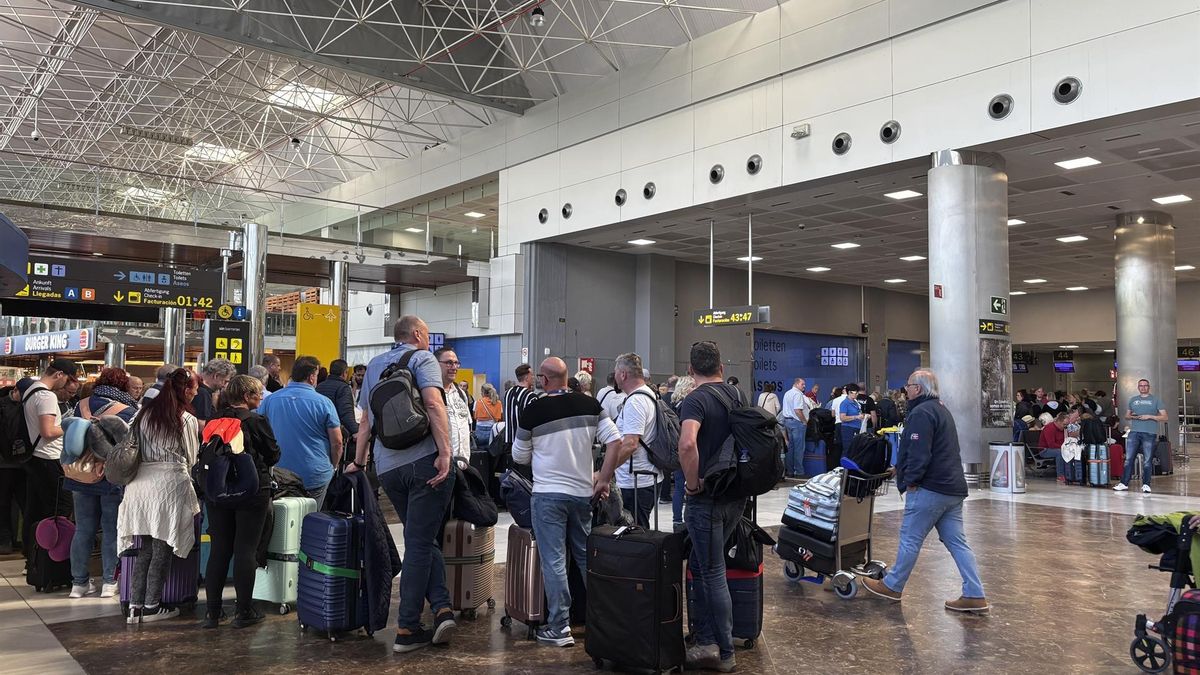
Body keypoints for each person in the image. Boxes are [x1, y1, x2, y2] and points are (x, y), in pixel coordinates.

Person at [350, 315, 457, 654]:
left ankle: (441, 608)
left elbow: (365, 420)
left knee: (420, 537)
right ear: (416, 334)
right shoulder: (423, 359)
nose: (428, 340)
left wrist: (360, 461)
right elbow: (432, 404)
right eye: (426, 334)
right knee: (420, 543)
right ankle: (408, 628)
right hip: (423, 460)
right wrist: (445, 452)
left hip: (388, 465)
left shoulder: (375, 365)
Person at [861, 369, 987, 613]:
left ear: (917, 389)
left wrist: (912, 480)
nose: (905, 390)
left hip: (930, 488)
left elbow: (920, 451)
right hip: (953, 488)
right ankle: (975, 593)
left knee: (910, 538)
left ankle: (893, 585)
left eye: (907, 385)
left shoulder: (921, 412)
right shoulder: (941, 409)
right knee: (958, 543)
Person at [518, 357, 620, 647]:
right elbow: (615, 441)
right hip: (582, 494)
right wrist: (603, 479)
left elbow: (519, 455)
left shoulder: (533, 410)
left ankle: (559, 626)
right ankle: (604, 621)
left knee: (554, 561)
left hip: (548, 495)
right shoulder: (591, 405)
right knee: (587, 557)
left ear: (545, 380)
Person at [674, 341, 744, 672]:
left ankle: (724, 651)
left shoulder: (695, 399)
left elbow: (687, 444)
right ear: (721, 367)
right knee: (701, 568)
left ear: (690, 370)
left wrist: (691, 484)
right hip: (735, 495)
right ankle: (704, 639)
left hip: (706, 498)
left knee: (712, 571)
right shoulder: (737, 396)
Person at [117, 368, 201, 624]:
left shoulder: (142, 414)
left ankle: (134, 606)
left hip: (139, 486)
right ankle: (152, 606)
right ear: (186, 390)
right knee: (163, 547)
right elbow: (191, 456)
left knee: (145, 548)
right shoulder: (184, 419)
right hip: (169, 483)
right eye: (195, 388)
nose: (197, 393)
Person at [202, 375, 280, 629]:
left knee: (219, 548)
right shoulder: (256, 421)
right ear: (246, 397)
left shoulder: (214, 420)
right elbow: (273, 454)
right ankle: (244, 611)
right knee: (245, 548)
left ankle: (212, 613)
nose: (260, 397)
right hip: (252, 491)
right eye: (257, 394)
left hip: (218, 490)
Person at [66, 367, 138, 600]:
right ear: (122, 386)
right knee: (111, 529)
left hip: (80, 474)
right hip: (110, 476)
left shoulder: (82, 404)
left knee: (83, 529)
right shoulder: (127, 410)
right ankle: (109, 581)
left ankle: (78, 584)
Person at [258, 356, 343, 509]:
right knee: (311, 520)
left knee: (283, 522)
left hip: (279, 473)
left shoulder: (271, 400)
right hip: (314, 473)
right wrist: (333, 466)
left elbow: (260, 431)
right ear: (311, 377)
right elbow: (337, 442)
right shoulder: (324, 403)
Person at [594, 353, 662, 529]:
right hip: (644, 477)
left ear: (623, 374)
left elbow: (631, 443)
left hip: (638, 480)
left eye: (616, 371)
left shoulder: (636, 401)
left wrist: (605, 472)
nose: (615, 375)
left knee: (634, 534)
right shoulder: (648, 394)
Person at [21, 359, 79, 564]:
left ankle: (34, 559)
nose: (67, 385)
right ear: (59, 375)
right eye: (68, 379)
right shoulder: (46, 396)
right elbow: (48, 431)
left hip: (35, 457)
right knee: (59, 511)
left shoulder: (30, 391)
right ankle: (52, 561)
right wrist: (73, 425)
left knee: (35, 510)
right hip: (49, 458)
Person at [1115, 378, 1168, 494]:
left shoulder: (1156, 400)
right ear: (1138, 387)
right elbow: (1127, 416)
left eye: (1145, 385)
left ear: (1149, 387)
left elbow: (1165, 417)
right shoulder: (1133, 400)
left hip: (1149, 433)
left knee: (1147, 460)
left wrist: (1150, 416)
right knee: (1129, 459)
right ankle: (1124, 483)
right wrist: (1133, 417)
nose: (1143, 387)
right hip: (1134, 432)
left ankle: (1146, 484)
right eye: (1141, 386)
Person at [668, 376, 697, 532]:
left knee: (679, 486)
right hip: (685, 450)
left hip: (676, 450)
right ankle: (684, 521)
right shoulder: (688, 405)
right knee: (687, 486)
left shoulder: (673, 404)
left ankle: (677, 520)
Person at [435, 348, 471, 461]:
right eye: (449, 363)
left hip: (464, 461)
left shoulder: (461, 393)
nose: (454, 367)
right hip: (442, 463)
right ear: (435, 364)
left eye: (456, 363)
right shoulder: (432, 394)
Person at [316, 359, 359, 446]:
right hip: (334, 432)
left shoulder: (319, 387)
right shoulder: (343, 388)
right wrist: (355, 431)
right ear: (344, 373)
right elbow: (346, 412)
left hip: (318, 430)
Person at [503, 364, 541, 453]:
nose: (533, 377)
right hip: (523, 443)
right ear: (527, 377)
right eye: (532, 375)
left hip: (508, 441)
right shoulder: (531, 396)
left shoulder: (507, 393)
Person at [780, 378, 811, 479]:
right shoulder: (798, 394)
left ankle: (790, 471)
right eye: (802, 384)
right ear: (797, 384)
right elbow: (797, 410)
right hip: (797, 422)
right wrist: (804, 421)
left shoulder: (787, 393)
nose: (804, 386)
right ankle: (799, 472)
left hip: (787, 422)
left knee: (790, 447)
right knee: (799, 448)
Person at [193, 359, 236, 423]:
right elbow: (201, 424)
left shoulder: (197, 388)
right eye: (225, 381)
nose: (225, 385)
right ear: (216, 376)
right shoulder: (203, 393)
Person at [1038, 413, 1068, 483]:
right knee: (1059, 452)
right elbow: (1051, 445)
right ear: (1059, 422)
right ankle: (1060, 476)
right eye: (1064, 424)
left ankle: (1069, 474)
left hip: (1057, 448)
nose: (1066, 427)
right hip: (1044, 450)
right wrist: (1064, 447)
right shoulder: (1049, 428)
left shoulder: (1062, 429)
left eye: (1067, 425)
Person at [838, 383, 866, 451]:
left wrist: (864, 416)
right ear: (850, 392)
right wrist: (856, 417)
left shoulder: (856, 403)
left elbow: (858, 413)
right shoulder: (845, 403)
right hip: (848, 429)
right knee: (848, 449)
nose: (857, 395)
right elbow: (842, 418)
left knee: (855, 450)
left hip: (857, 428)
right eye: (855, 393)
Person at [473, 383, 503, 448]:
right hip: (493, 428)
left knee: (480, 450)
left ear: (483, 392)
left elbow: (474, 417)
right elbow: (501, 417)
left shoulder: (477, 402)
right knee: (493, 449)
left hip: (480, 429)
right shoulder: (498, 403)